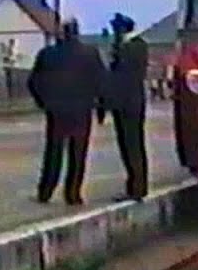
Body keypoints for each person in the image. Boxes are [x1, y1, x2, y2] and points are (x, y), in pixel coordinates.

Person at [27, 19, 106, 205]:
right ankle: (73, 194)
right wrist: (100, 105)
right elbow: (101, 81)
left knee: (53, 152)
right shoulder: (90, 54)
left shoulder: (48, 54)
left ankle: (45, 191)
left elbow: (33, 81)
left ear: (61, 33)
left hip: (56, 110)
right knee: (78, 153)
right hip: (81, 109)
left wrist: (43, 101)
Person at [103, 12, 150, 201]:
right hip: (127, 102)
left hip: (128, 103)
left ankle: (137, 187)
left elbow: (121, 76)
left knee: (132, 145)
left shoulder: (133, 47)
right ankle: (135, 185)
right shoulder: (130, 46)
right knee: (129, 145)